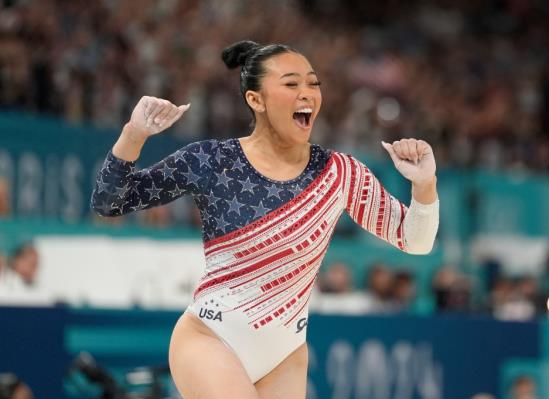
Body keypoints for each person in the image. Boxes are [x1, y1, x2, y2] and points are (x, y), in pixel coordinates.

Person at [91, 40, 439, 399]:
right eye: (291, 84)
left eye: (313, 83)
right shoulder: (213, 160)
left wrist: (425, 184)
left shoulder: (340, 173)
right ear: (256, 99)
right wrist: (134, 134)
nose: (307, 94)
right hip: (210, 339)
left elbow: (415, 241)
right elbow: (108, 202)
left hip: (284, 355)